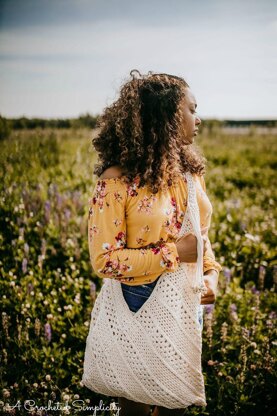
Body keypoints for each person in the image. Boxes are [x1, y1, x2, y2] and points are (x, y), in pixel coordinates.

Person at [87, 70, 222, 416]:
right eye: (192, 109)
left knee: (176, 402)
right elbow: (106, 261)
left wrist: (210, 272)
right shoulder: (116, 180)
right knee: (135, 404)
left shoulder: (191, 171)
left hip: (184, 300)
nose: (199, 119)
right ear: (166, 117)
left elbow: (200, 233)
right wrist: (177, 253)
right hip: (138, 300)